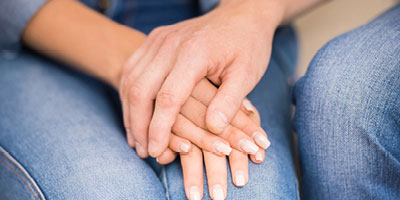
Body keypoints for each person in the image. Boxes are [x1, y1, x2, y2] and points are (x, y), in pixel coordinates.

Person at [0, 0, 398, 199]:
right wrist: (141, 64)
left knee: (248, 193)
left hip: (220, 22)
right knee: (108, 191)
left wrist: (252, 12)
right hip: (42, 35)